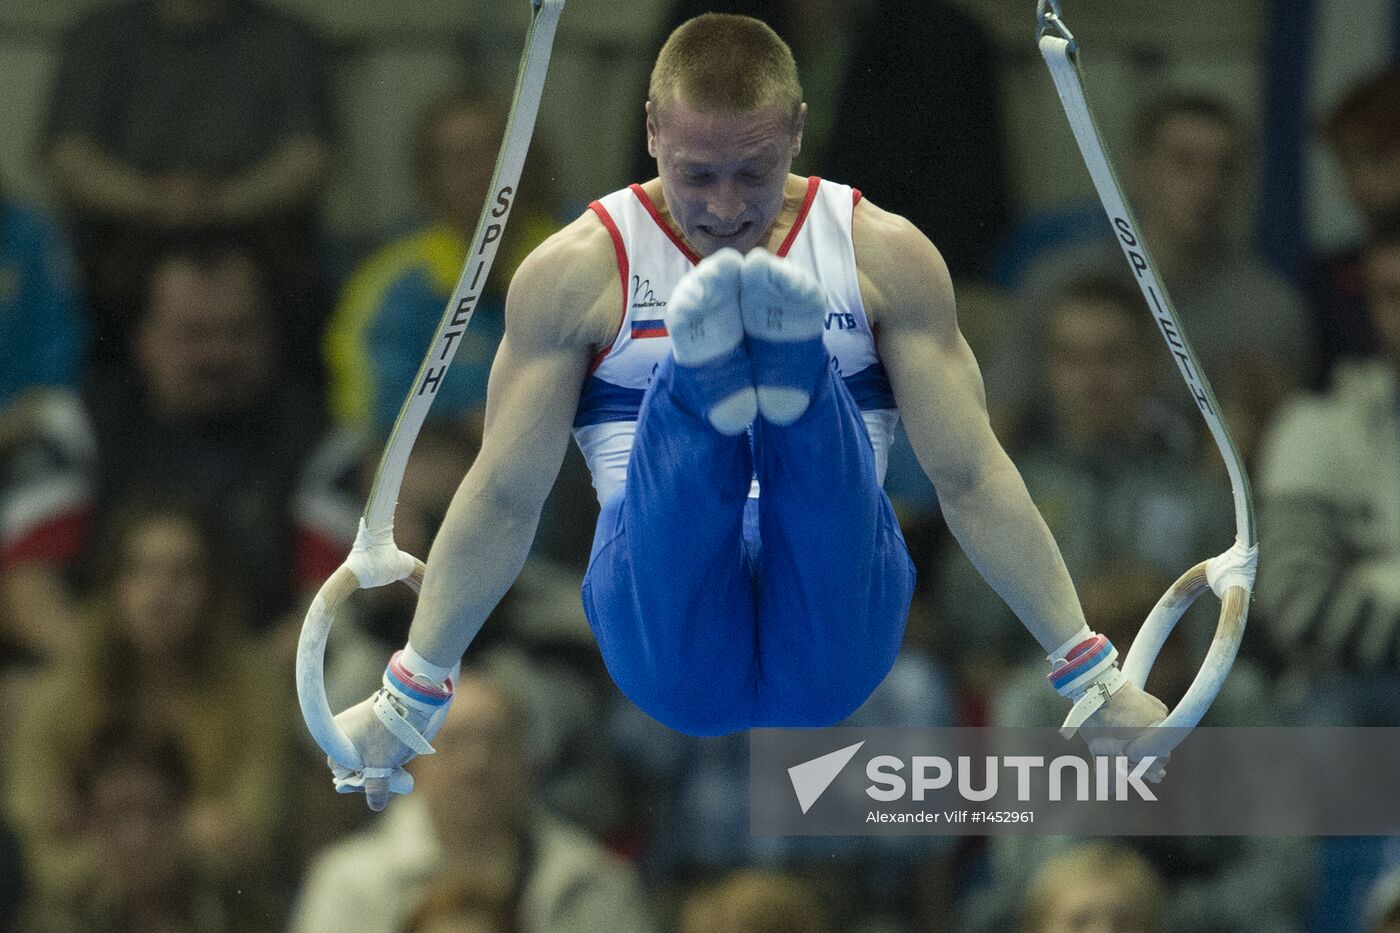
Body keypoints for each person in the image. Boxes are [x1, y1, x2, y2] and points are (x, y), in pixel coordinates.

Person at [326, 13, 1168, 810]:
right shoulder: (577, 270)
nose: (726, 208)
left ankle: (779, 370)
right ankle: (710, 378)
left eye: (753, 172)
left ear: (797, 130)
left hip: (836, 628)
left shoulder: (888, 253)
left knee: (832, 484)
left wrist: (1088, 669)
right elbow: (506, 495)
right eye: (697, 173)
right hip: (668, 631)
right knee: (672, 486)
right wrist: (411, 691)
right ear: (652, 128)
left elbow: (973, 475)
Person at [991, 92, 1312, 456]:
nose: (1207, 186)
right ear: (1138, 170)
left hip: (1196, 501)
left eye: (1224, 168)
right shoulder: (1054, 280)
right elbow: (1000, 417)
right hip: (1054, 492)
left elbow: (1280, 456)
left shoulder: (1268, 310)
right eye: (1185, 164)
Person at [42, 0, 336, 370]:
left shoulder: (286, 36)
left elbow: (308, 157)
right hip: (128, 224)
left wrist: (219, 202)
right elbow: (69, 156)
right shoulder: (97, 35)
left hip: (251, 223)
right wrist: (154, 200)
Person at [290, 671, 656, 933]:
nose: (476, 763)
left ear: (529, 762)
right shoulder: (349, 886)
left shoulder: (594, 885)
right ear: (414, 762)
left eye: (496, 741)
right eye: (456, 743)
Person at [325, 86, 558, 438]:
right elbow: (365, 400)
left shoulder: (585, 252)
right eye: (459, 159)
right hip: (439, 450)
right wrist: (458, 422)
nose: (482, 173)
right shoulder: (394, 280)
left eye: (497, 151)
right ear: (428, 178)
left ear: (531, 159)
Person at [1257, 212, 1400, 720]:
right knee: (1329, 718)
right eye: (1393, 297)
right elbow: (1291, 602)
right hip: (1356, 685)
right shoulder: (1314, 424)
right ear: (1370, 308)